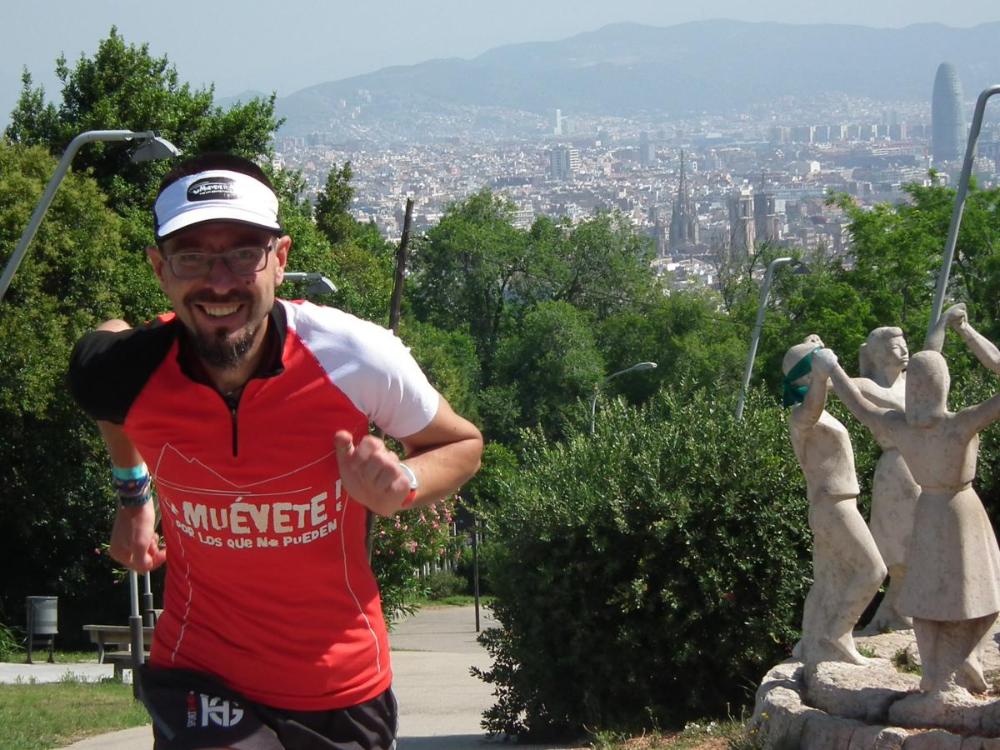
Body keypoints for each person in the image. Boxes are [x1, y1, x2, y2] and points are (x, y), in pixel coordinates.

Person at [68, 152, 484, 750]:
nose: (219, 281)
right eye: (192, 257)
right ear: (160, 268)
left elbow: (462, 443)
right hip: (197, 670)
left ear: (280, 260)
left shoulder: (356, 355)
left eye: (243, 253)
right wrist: (134, 495)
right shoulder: (126, 373)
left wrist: (405, 485)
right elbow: (104, 369)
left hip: (338, 680)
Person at [815, 320, 1000, 696]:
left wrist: (831, 367)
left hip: (927, 507)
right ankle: (967, 658)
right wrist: (968, 335)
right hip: (962, 512)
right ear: (944, 385)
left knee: (924, 593)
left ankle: (934, 672)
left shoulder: (902, 427)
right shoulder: (961, 424)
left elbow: (860, 406)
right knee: (986, 593)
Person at [782, 336, 886, 668]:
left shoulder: (819, 412)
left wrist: (823, 363)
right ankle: (840, 633)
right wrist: (822, 374)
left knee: (827, 580)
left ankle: (810, 640)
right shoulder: (801, 415)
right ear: (808, 375)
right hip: (834, 504)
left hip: (837, 503)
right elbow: (812, 407)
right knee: (873, 569)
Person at [852, 327, 917, 633]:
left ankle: (899, 612)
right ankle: (898, 615)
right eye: (895, 348)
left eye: (904, 345)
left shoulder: (911, 381)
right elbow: (835, 384)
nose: (903, 351)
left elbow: (934, 355)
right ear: (878, 355)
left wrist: (946, 325)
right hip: (896, 471)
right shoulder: (867, 386)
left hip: (922, 467)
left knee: (920, 544)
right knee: (899, 550)